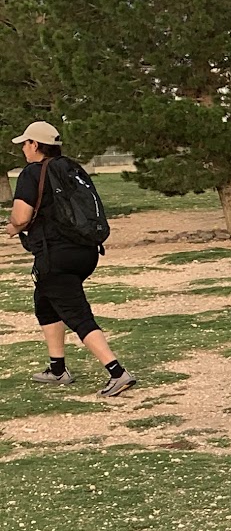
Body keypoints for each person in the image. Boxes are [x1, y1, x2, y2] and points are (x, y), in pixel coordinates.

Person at [7, 121, 136, 395]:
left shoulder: (31, 173)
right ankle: (57, 369)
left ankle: (117, 372)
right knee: (45, 302)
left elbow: (21, 217)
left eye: (25, 144)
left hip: (56, 255)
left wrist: (12, 227)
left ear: (35, 145)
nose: (23, 149)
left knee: (77, 314)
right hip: (85, 251)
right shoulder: (69, 168)